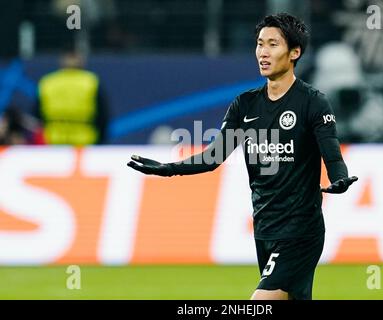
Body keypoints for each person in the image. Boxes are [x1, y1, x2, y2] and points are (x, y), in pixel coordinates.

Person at [127, 13, 358, 300]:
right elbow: (213, 157)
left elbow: (331, 153)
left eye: (273, 44)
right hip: (264, 228)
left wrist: (340, 178)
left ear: (294, 52)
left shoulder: (312, 101)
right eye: (260, 44)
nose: (263, 52)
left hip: (301, 229)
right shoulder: (245, 104)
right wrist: (167, 168)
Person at [35, 51, 108, 145]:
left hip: (53, 139)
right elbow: (102, 115)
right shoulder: (91, 82)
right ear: (81, 63)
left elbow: (36, 115)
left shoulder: (48, 82)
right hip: (85, 139)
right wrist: (101, 139)